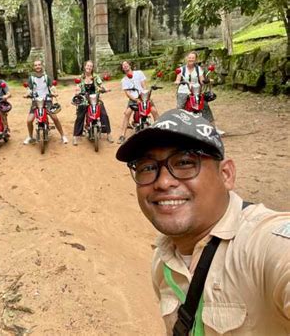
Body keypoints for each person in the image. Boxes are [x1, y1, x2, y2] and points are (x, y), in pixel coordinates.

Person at [116, 109, 289, 335]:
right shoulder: (164, 260)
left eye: (185, 162)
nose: (164, 182)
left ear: (226, 174)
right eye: (148, 168)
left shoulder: (265, 244)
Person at [174, 51, 224, 135]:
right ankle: (178, 129)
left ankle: (213, 128)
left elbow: (201, 80)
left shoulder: (198, 69)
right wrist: (178, 82)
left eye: (193, 58)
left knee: (205, 106)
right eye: (189, 58)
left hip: (196, 91)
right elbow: (177, 79)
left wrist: (206, 80)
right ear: (187, 58)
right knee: (180, 108)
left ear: (196, 59)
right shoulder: (181, 69)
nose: (191, 59)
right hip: (184, 90)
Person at [23, 59, 68, 145]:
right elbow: (29, 89)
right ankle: (30, 136)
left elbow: (52, 87)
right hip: (36, 101)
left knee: (54, 118)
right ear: (34, 67)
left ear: (42, 66)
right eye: (36, 65)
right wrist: (27, 94)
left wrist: (54, 93)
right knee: (29, 120)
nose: (37, 67)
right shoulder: (31, 78)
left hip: (47, 100)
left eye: (39, 65)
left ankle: (63, 136)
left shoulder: (46, 77)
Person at [72, 60, 113, 146]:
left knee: (104, 114)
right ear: (84, 67)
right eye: (88, 66)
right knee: (80, 116)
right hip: (84, 99)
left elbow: (101, 85)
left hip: (95, 99)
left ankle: (108, 134)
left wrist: (104, 89)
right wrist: (77, 92)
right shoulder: (80, 77)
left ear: (92, 68)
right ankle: (76, 136)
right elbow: (77, 87)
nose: (89, 67)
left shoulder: (95, 77)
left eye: (91, 66)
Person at [117, 60, 159, 145]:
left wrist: (145, 95)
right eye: (123, 65)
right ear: (122, 68)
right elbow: (128, 93)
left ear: (130, 65)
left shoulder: (139, 73)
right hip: (133, 99)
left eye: (126, 64)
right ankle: (122, 136)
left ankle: (160, 130)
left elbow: (143, 85)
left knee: (154, 111)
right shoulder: (124, 80)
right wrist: (136, 100)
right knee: (127, 113)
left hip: (143, 96)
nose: (125, 66)